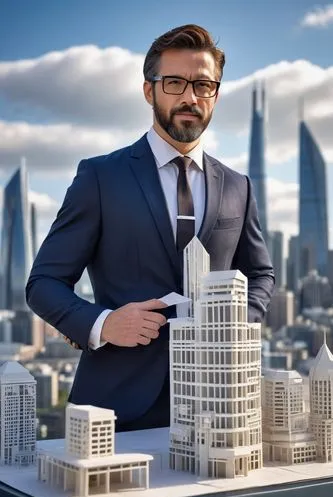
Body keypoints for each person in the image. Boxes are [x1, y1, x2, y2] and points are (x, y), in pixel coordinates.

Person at [26, 24, 274, 432]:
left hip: (216, 405)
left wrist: (234, 322)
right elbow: (44, 282)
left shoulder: (238, 187)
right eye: (174, 83)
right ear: (149, 91)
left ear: (216, 94)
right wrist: (103, 323)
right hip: (114, 407)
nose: (190, 97)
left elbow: (261, 273)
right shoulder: (100, 177)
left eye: (203, 85)